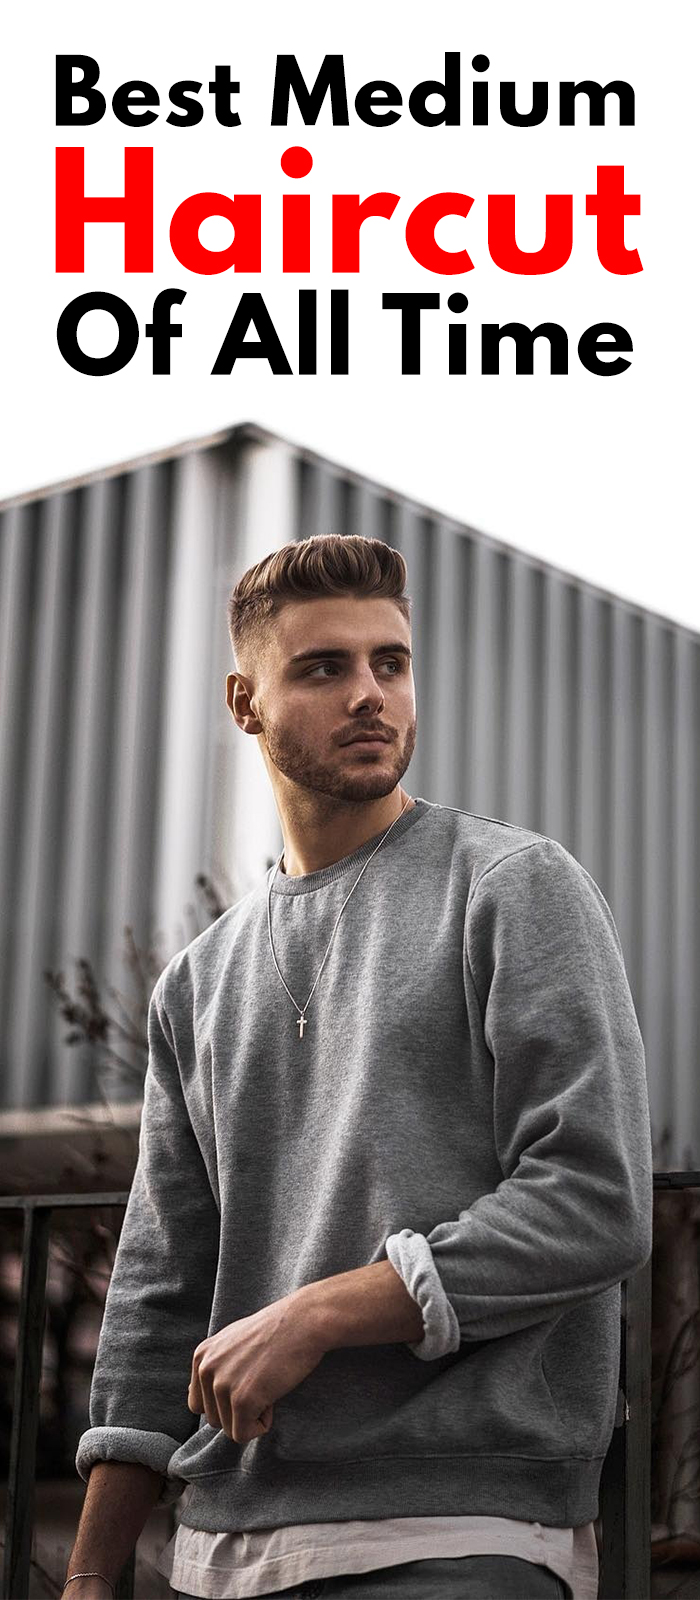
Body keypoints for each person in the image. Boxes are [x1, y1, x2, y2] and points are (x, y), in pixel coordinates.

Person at [64, 534, 653, 1600]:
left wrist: (317, 1313)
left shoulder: (511, 887)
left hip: (457, 1526)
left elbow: (594, 1199)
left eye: (391, 662)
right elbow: (159, 1292)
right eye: (323, 667)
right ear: (245, 703)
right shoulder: (195, 983)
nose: (370, 693)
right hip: (218, 1551)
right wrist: (90, 1576)